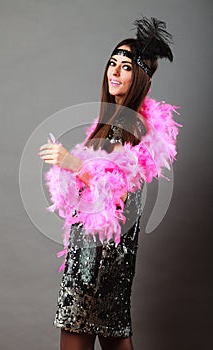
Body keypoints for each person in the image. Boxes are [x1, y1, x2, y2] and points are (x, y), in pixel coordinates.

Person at [38, 17, 181, 350]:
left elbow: (116, 190)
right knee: (113, 339)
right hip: (93, 255)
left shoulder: (133, 129)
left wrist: (70, 162)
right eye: (112, 64)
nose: (114, 71)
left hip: (98, 264)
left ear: (141, 78)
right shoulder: (110, 125)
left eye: (126, 66)